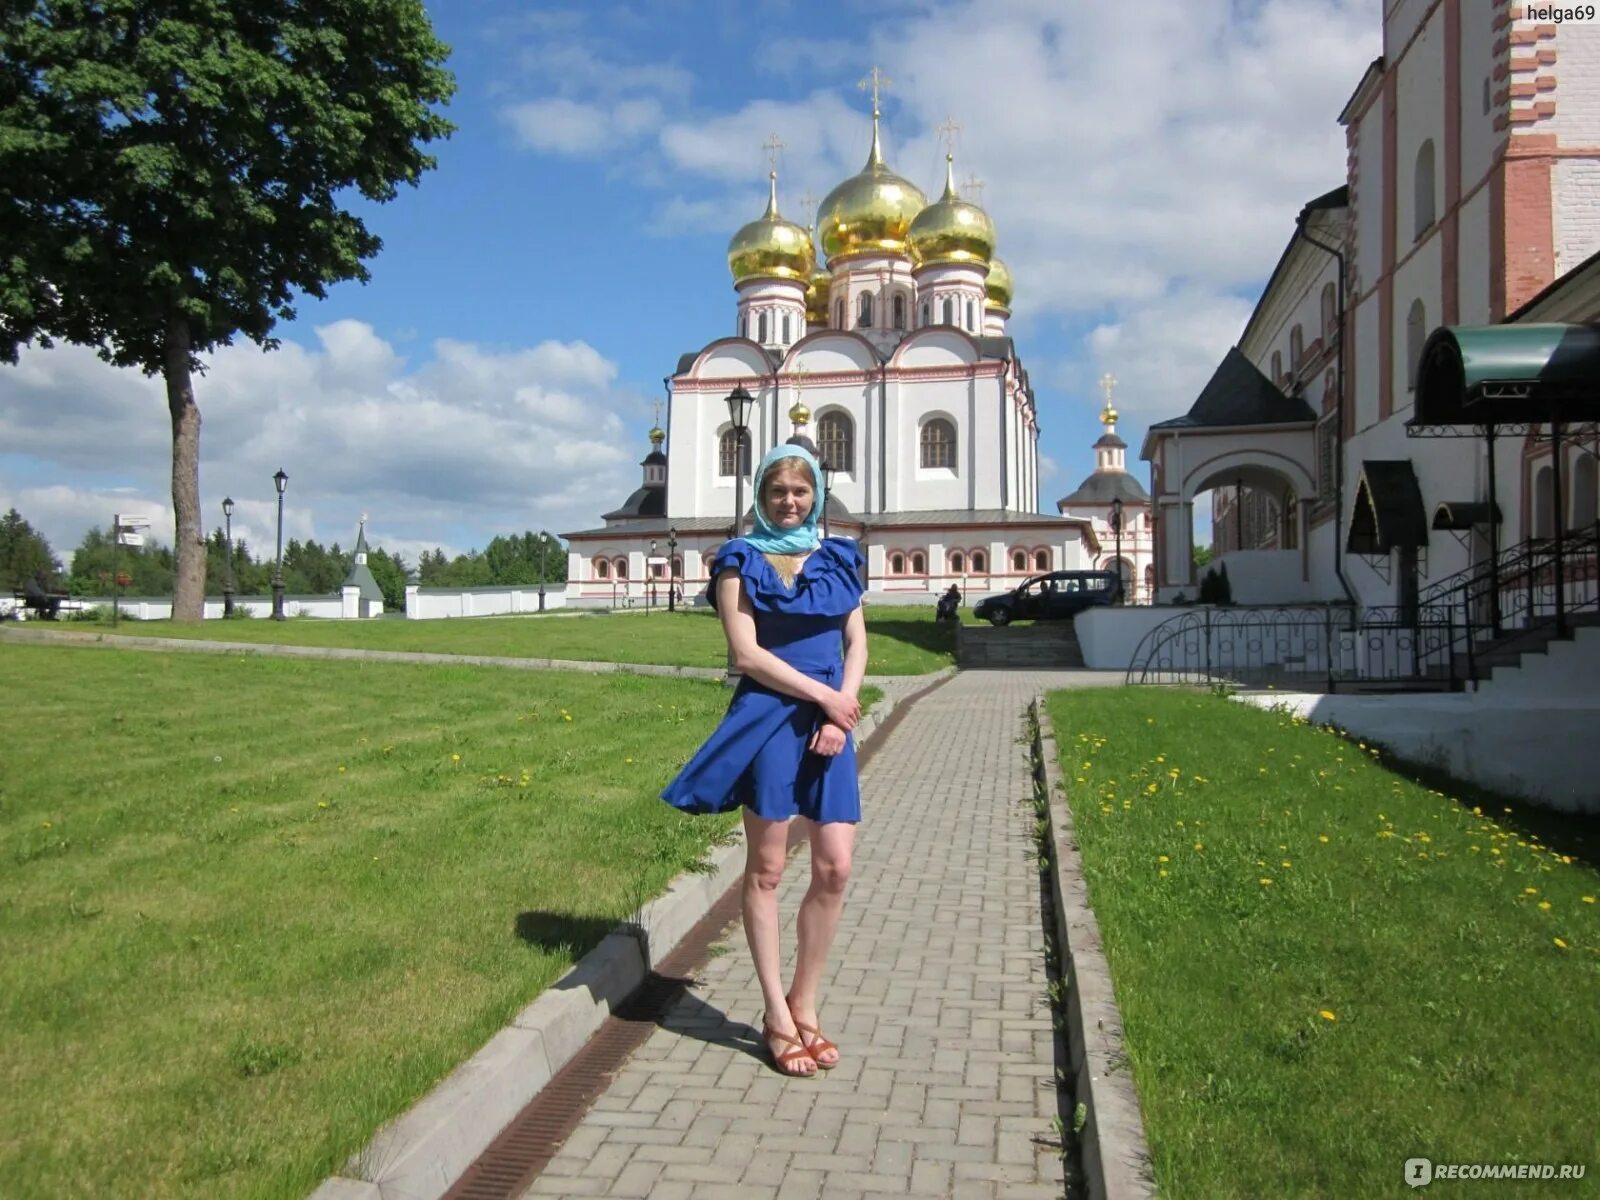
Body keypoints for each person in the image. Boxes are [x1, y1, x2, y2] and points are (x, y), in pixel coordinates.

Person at [661, 443, 867, 1078]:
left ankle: (807, 1001)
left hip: (831, 719)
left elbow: (857, 640)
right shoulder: (739, 561)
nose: (789, 502)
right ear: (761, 496)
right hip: (770, 719)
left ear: (817, 495)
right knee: (769, 869)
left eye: (801, 492)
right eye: (778, 491)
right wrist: (825, 698)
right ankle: (777, 1016)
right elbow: (745, 656)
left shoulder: (838, 558)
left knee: (834, 867)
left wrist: (842, 707)